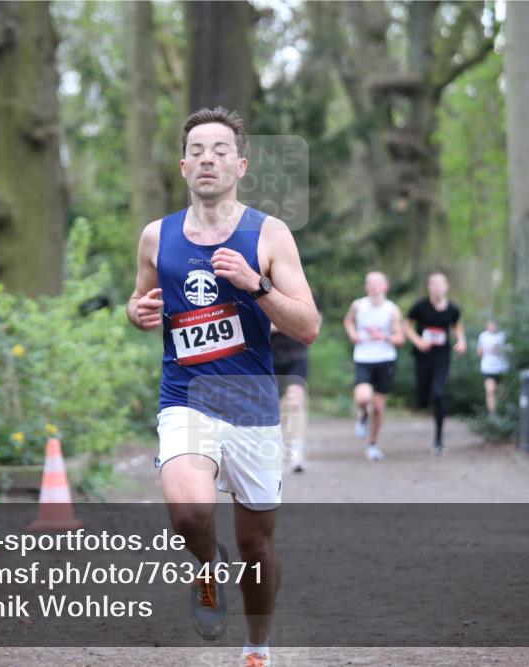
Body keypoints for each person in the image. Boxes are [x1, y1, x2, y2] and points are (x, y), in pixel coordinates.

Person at [127, 107, 320, 667]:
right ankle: (207, 568)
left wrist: (255, 285)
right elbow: (140, 302)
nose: (207, 158)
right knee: (188, 513)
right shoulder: (155, 236)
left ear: (240, 164)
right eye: (197, 150)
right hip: (185, 396)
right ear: (183, 166)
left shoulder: (269, 234)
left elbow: (306, 327)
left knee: (257, 544)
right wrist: (136, 313)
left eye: (219, 150)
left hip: (252, 406)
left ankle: (256, 647)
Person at [403, 271, 466, 454]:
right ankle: (423, 402)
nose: (437, 287)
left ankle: (438, 440)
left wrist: (461, 341)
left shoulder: (452, 309)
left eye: (441, 284)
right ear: (429, 287)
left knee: (439, 393)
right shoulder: (420, 306)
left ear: (446, 287)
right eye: (434, 284)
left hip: (442, 357)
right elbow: (406, 325)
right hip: (422, 357)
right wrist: (418, 341)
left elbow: (457, 326)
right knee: (422, 397)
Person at [343, 271, 404, 461]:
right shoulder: (358, 305)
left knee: (378, 407)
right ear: (366, 287)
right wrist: (353, 334)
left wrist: (384, 337)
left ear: (385, 287)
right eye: (370, 283)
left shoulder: (392, 310)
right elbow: (348, 321)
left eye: (378, 283)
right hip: (363, 358)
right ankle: (362, 414)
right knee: (362, 398)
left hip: (385, 359)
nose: (374, 287)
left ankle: (372, 445)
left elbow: (400, 338)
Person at [271, 323, 309, 473]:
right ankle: (277, 450)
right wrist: (289, 323)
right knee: (276, 408)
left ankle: (296, 454)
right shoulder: (260, 298)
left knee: (295, 402)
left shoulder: (303, 298)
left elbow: (311, 325)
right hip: (270, 358)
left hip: (296, 357)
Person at [476, 319, 509, 414]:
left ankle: (502, 413)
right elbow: (479, 352)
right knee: (490, 391)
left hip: (502, 368)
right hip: (488, 368)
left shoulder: (502, 335)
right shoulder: (483, 336)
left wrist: (499, 349)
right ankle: (492, 414)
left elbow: (510, 350)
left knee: (501, 393)